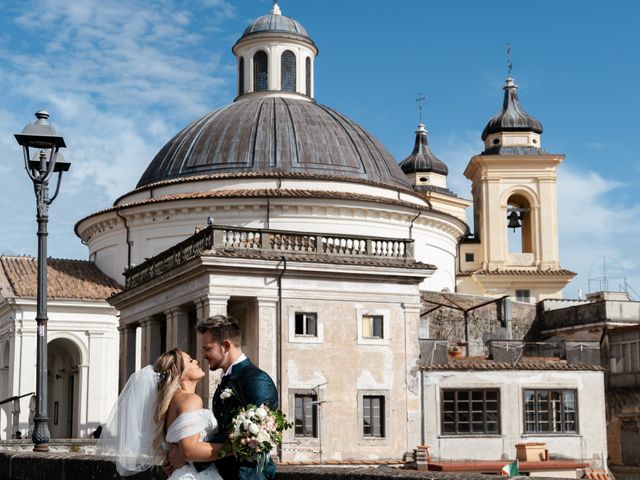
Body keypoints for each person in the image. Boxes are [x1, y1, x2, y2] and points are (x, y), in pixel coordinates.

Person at [167, 315, 279, 480]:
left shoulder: (256, 380)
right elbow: (223, 430)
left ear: (226, 346)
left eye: (207, 349)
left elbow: (253, 435)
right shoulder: (226, 381)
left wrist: (188, 457)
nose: (203, 355)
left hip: (246, 475)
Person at [98, 348, 224, 479]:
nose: (197, 361)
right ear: (180, 372)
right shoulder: (190, 400)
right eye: (190, 360)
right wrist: (234, 448)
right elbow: (189, 450)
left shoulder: (168, 405)